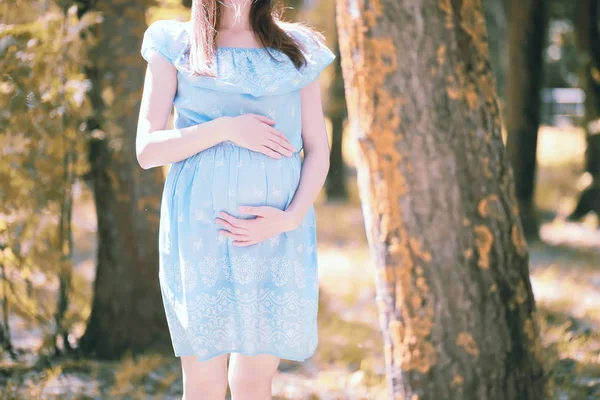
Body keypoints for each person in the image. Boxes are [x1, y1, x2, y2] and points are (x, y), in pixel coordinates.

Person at [136, 0, 334, 398]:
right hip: (200, 231)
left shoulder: (297, 47)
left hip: (275, 232)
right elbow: (147, 150)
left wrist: (289, 218)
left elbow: (318, 150)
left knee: (252, 382)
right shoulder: (175, 43)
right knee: (204, 383)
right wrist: (226, 129)